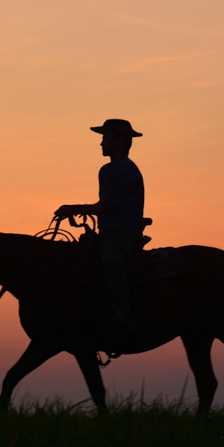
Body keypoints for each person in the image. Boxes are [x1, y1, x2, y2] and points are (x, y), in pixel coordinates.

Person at [55, 119, 148, 337]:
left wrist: (74, 208)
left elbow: (106, 205)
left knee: (110, 261)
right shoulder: (108, 170)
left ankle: (123, 317)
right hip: (109, 231)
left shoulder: (124, 169)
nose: (101, 143)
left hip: (124, 232)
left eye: (105, 138)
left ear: (119, 141)